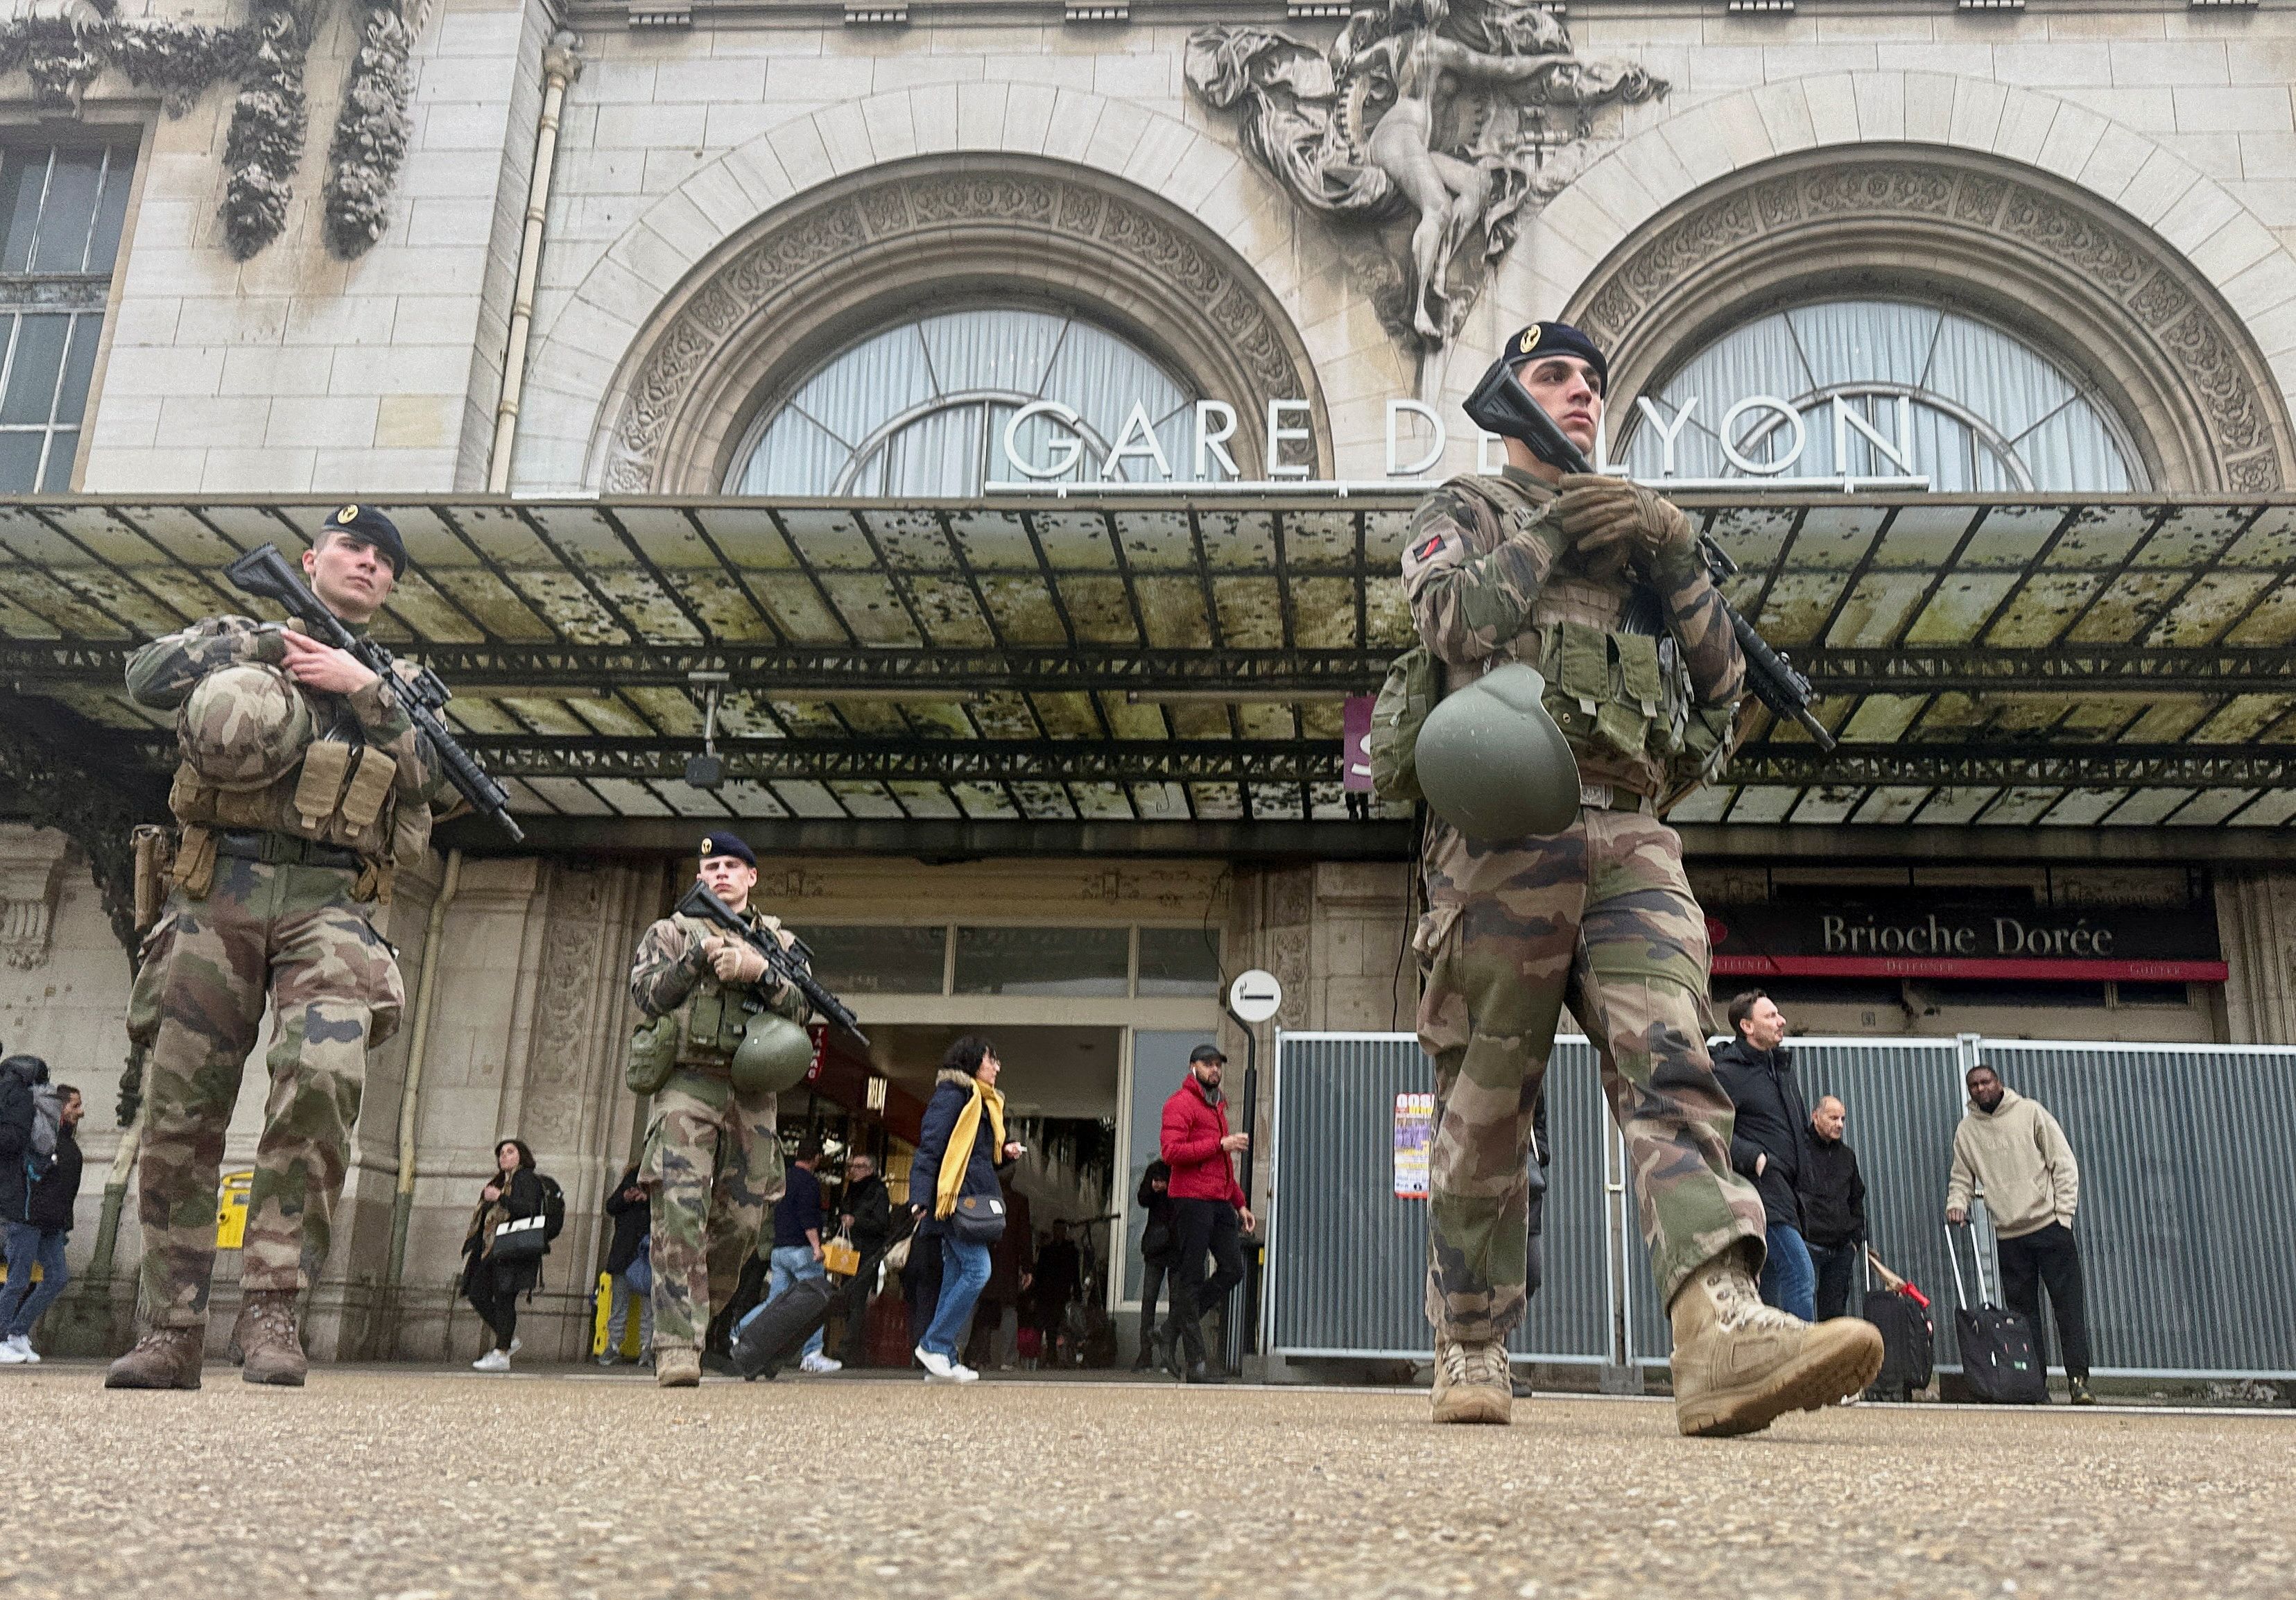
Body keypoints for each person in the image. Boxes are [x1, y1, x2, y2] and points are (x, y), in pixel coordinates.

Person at [1404, 322, 1880, 1432]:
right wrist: (1562, 524)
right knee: (1485, 1109)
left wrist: (1672, 553)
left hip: (1629, 830)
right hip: (1495, 832)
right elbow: (1450, 618)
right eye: (1555, 376)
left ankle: (1716, 1315)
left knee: (1674, 1060)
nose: (1580, 393)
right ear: (1508, 397)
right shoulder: (1466, 508)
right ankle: (1469, 1341)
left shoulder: (1648, 545)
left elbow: (1720, 688)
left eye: (1592, 380)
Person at [107, 505, 451, 1391]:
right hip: (216, 889)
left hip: (330, 901)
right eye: (352, 549)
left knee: (324, 1086)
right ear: (311, 560)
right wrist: (259, 647)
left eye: (384, 560)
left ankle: (272, 1309)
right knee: (181, 1106)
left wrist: (359, 684)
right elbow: (143, 677)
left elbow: (432, 779)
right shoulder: (244, 635)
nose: (368, 565)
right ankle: (171, 1327)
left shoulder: (399, 679)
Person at [627, 831, 809, 1388]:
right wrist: (695, 959)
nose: (721, 874)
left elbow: (803, 1005)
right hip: (688, 1085)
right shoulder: (671, 931)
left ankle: (697, 1325)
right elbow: (645, 995)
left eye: (732, 865)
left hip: (754, 1094)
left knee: (741, 1224)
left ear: (752, 877)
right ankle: (677, 1345)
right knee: (679, 1211)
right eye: (711, 867)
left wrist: (760, 972)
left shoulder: (778, 939)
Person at [1947, 1065, 2094, 1405]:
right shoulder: (1967, 1131)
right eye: (1973, 1085)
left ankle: (2079, 1382)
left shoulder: (2030, 1112)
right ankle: (2033, 1384)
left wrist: (2064, 1215)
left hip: (2049, 1227)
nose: (1980, 1089)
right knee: (2022, 1319)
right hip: (2009, 1235)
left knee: (2068, 1309)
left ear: (1999, 1083)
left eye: (1986, 1082)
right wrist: (1957, 1203)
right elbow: (1961, 1177)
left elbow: (2063, 1163)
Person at [907, 1035, 1023, 1383]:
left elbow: (976, 1157)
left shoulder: (983, 1103)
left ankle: (942, 1358)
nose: (997, 1067)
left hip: (967, 1197)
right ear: (973, 1062)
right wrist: (920, 1197)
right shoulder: (954, 1096)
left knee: (956, 1276)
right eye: (992, 1060)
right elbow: (931, 1147)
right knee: (977, 1270)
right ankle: (935, 1344)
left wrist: (1004, 1154)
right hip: (954, 1200)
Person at [1711, 991, 1816, 1323]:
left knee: (1767, 1291)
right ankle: (1807, 1364)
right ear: (1747, 1026)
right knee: (1800, 1276)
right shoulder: (1728, 1072)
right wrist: (1754, 1157)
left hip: (1789, 1191)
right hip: (1760, 1192)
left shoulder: (1780, 1069)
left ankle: (1766, 1367)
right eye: (1770, 1016)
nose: (1781, 1020)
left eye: (1778, 1013)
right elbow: (1710, 1126)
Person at [1157, 1042, 1256, 1384]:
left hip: (1217, 1201)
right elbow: (1171, 1152)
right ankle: (1196, 1364)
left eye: (1218, 1065)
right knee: (1192, 1277)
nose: (1215, 1069)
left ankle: (1171, 1330)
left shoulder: (1217, 1107)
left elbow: (1224, 1165)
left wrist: (1240, 1203)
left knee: (1233, 1268)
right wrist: (1219, 1144)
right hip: (1190, 1200)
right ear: (1193, 1066)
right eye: (1208, 1064)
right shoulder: (1179, 1104)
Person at [2, 1075, 83, 1364]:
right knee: (17, 1280)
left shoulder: (63, 1143)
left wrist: (63, 1225)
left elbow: (64, 1191)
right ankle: (1, 1337)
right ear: (60, 1108)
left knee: (57, 1277)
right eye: (75, 1106)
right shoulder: (42, 1141)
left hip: (49, 1223)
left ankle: (17, 1332)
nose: (80, 1112)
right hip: (27, 1219)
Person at [462, 1139, 544, 1372]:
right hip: (493, 1249)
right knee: (477, 1292)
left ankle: (501, 1352)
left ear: (521, 1156)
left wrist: (499, 1197)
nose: (504, 1157)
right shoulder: (501, 1181)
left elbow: (528, 1208)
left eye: (510, 1152)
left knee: (504, 1298)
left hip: (512, 1248)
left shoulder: (525, 1178)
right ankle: (506, 1340)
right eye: (501, 1153)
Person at [764, 1138, 840, 1375]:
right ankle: (812, 1354)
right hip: (801, 1250)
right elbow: (808, 1216)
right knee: (815, 1300)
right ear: (817, 1157)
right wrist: (817, 1247)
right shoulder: (809, 1183)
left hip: (780, 1249)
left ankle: (746, 1338)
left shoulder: (784, 1178)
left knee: (775, 1303)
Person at [1799, 1096, 1867, 1323]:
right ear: (1815, 1117)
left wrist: (1855, 1241)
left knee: (1834, 1316)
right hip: (1806, 1244)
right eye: (1833, 1118)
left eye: (1843, 1119)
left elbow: (1857, 1198)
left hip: (1840, 1248)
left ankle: (1831, 1360)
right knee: (1799, 1307)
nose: (1839, 1124)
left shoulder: (1847, 1156)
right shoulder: (1799, 1149)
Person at [966, 1170, 1033, 1372]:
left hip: (983, 1258)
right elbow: (1024, 1236)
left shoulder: (981, 1199)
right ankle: (1008, 1359)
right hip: (1007, 1264)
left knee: (980, 1309)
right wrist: (1028, 1267)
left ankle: (972, 1354)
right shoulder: (1019, 1201)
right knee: (1009, 1309)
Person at [1509, 1087, 1550, 1401]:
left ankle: (1499, 1351)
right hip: (1489, 1185)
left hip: (1528, 1189)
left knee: (1530, 1274)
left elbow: (1539, 1117)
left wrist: (1540, 1151)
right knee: (1488, 1277)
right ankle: (1491, 1357)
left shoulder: (1531, 1066)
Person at [836, 1151, 892, 1368]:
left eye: (859, 1166)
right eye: (852, 1166)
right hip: (848, 1252)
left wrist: (856, 1221)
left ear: (870, 1169)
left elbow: (881, 1224)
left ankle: (847, 1348)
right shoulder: (852, 1190)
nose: (853, 1170)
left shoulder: (878, 1191)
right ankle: (849, 1346)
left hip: (867, 1253)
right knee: (847, 1298)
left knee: (857, 1300)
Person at [597, 1162, 650, 1366]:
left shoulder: (662, 1179)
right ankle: (614, 1344)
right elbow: (611, 1205)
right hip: (626, 1249)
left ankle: (647, 1347)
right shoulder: (633, 1176)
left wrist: (648, 1200)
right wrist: (626, 1198)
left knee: (649, 1303)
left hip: (645, 1249)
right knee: (619, 1303)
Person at [1132, 1159, 1177, 1371]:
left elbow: (1185, 1201)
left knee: (1175, 1301)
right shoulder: (1155, 1169)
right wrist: (1153, 1188)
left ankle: (1169, 1355)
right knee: (1148, 1299)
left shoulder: (1181, 1169)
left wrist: (1169, 1188)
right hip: (1158, 1243)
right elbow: (1142, 1199)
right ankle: (1146, 1352)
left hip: (1175, 1243)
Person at [1032, 1219, 1082, 1361]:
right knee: (1047, 1324)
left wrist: (1077, 1293)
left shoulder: (1071, 1252)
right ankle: (1047, 1355)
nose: (1059, 1233)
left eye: (1062, 1230)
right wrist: (1036, 1295)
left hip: (1061, 1293)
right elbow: (1040, 1274)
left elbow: (1075, 1274)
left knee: (1058, 1324)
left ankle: (1058, 1355)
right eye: (1056, 1230)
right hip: (1046, 1294)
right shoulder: (1047, 1251)